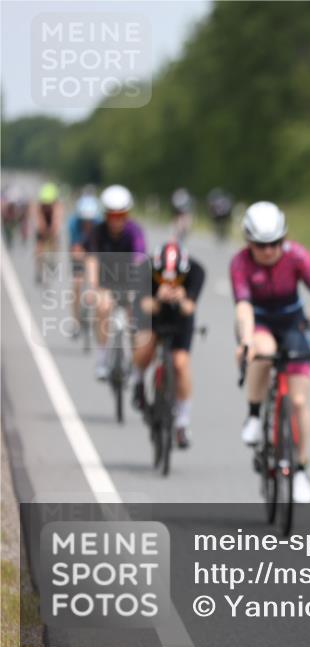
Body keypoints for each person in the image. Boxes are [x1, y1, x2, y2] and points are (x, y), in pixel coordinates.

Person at [230, 201, 310, 503]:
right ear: (249, 242)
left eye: (276, 242)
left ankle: (300, 468)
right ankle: (253, 413)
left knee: (299, 401)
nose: (270, 250)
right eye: (262, 245)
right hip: (258, 322)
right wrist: (246, 339)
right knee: (264, 350)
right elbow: (244, 307)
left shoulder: (297, 255)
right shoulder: (240, 263)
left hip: (292, 322)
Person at [132, 242, 206, 449]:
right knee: (144, 347)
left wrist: (181, 298)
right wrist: (158, 298)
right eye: (163, 278)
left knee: (180, 364)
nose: (169, 283)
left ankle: (182, 422)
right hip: (155, 315)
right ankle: (137, 381)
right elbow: (143, 305)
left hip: (180, 319)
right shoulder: (145, 269)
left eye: (175, 280)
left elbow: (189, 309)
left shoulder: (196, 271)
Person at [85, 185, 147, 380]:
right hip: (106, 279)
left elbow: (139, 259)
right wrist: (94, 286)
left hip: (129, 277)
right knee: (103, 307)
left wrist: (136, 288)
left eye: (121, 215)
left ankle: (135, 365)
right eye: (112, 215)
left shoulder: (134, 231)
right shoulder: (97, 232)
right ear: (105, 215)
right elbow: (92, 260)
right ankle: (102, 358)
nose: (116, 220)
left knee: (135, 318)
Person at [67, 194, 103, 336]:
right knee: (77, 282)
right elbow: (74, 247)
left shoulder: (100, 224)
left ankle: (95, 315)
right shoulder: (74, 224)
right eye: (85, 220)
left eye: (90, 220)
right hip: (79, 250)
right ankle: (75, 320)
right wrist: (79, 256)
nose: (87, 223)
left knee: (98, 282)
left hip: (95, 252)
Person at [32, 182, 64, 284]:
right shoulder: (38, 206)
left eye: (49, 204)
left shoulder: (57, 206)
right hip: (43, 225)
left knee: (54, 241)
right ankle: (39, 270)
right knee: (39, 248)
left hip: (52, 224)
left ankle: (53, 259)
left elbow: (56, 221)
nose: (46, 206)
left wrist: (53, 231)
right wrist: (43, 229)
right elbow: (39, 222)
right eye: (44, 203)